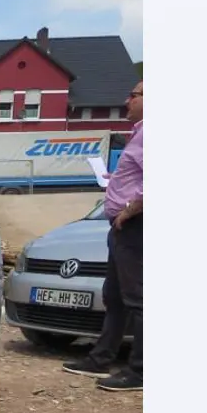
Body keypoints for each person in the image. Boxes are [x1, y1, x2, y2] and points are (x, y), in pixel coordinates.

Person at [63, 82, 143, 392]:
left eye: (134, 95)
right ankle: (101, 358)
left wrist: (128, 212)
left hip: (134, 226)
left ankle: (139, 372)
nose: (127, 100)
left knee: (137, 299)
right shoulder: (138, 134)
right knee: (115, 296)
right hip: (122, 227)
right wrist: (113, 182)